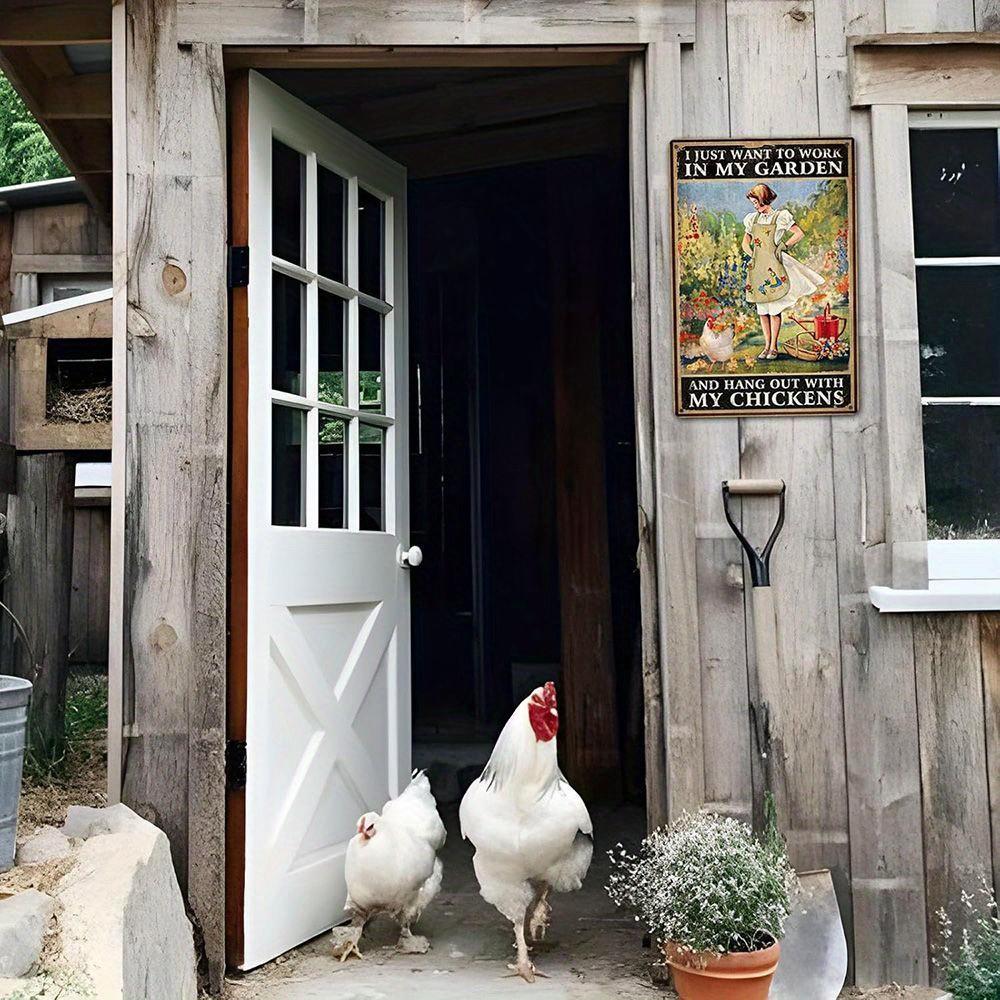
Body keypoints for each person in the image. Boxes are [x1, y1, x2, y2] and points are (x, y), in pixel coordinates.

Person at [740, 183, 823, 360]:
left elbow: (798, 233)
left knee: (774, 308)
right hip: (758, 267)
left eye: (757, 202)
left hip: (775, 265)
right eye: (753, 203)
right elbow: (745, 242)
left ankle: (773, 347)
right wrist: (752, 255)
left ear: (764, 199)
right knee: (762, 308)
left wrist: (784, 245)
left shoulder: (780, 217)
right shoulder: (752, 219)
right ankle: (766, 346)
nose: (755, 206)